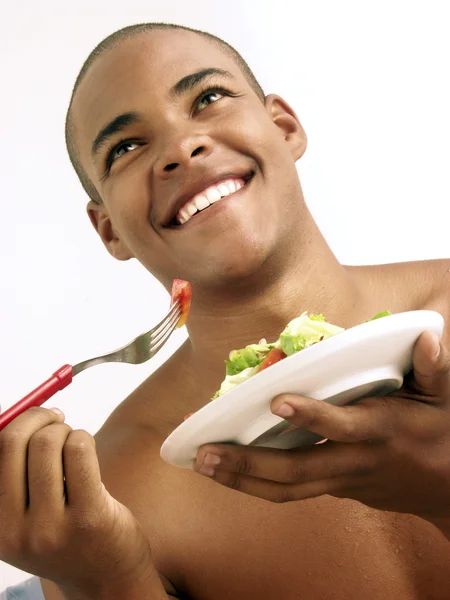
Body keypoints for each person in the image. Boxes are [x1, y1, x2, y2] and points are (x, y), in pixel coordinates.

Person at [1, 22, 449, 600]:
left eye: (207, 99)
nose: (180, 148)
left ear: (283, 126)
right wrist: (110, 582)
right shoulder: (108, 496)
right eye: (125, 148)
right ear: (108, 229)